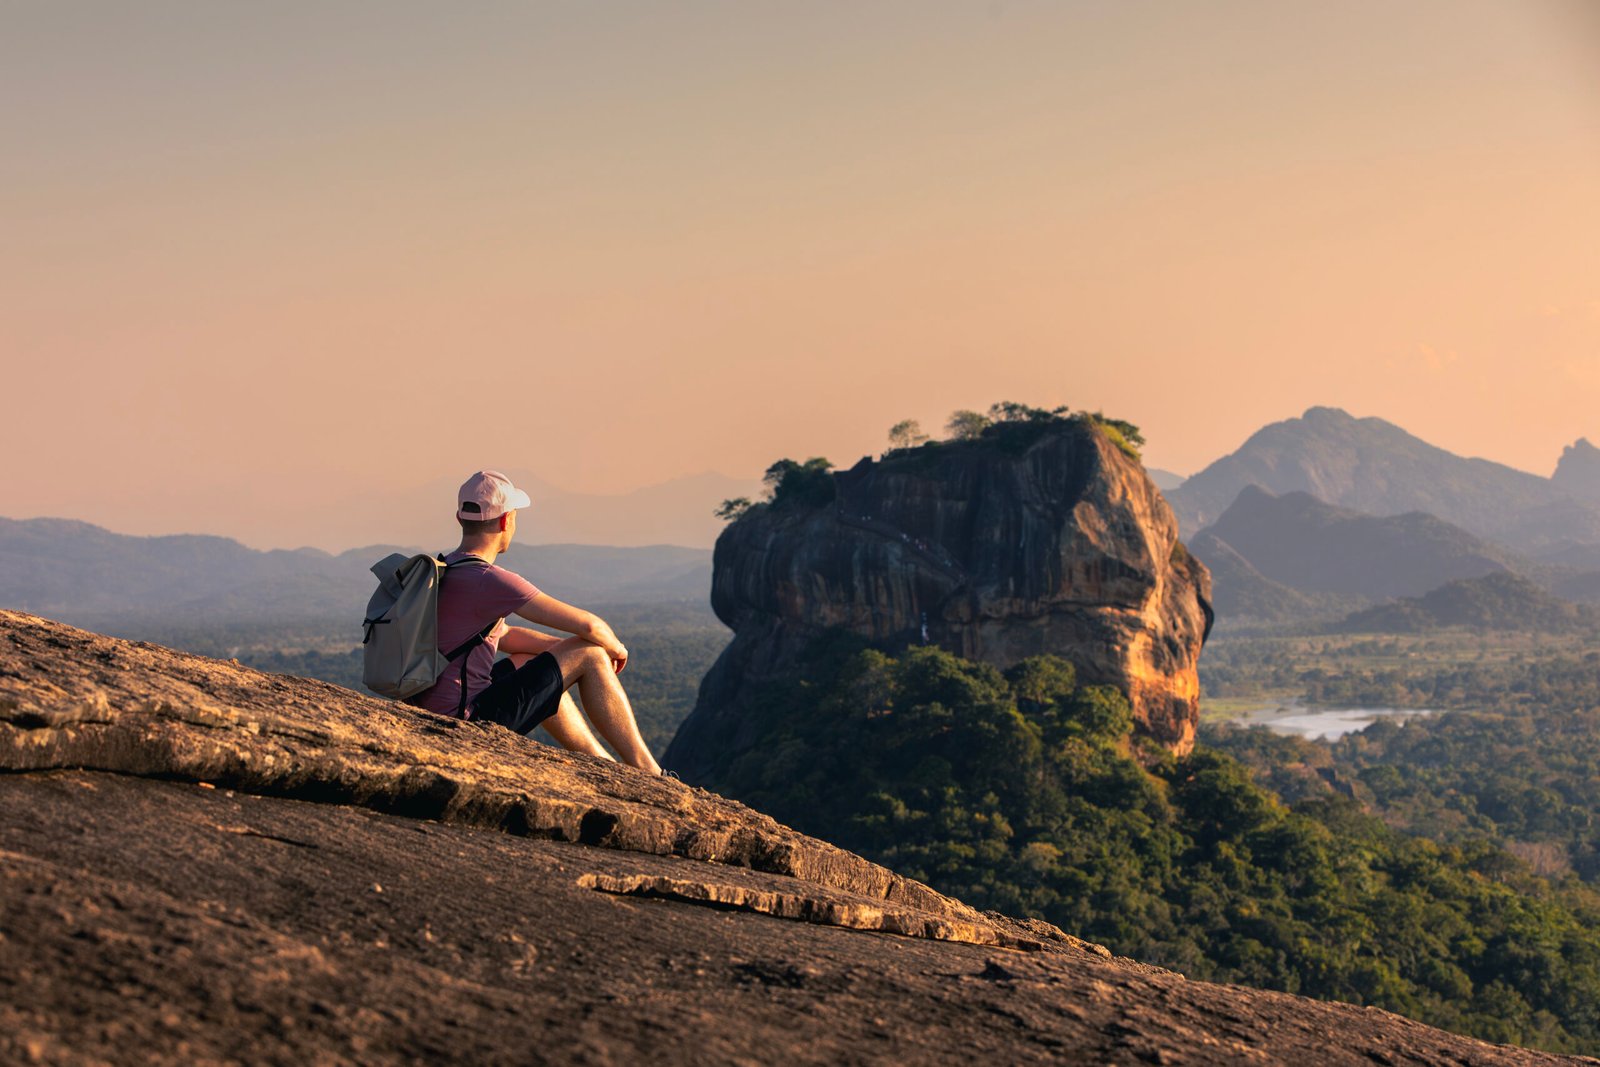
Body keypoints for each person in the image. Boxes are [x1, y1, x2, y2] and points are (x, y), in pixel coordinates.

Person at [409, 470, 663, 775]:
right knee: (593, 653)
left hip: (433, 709)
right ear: (506, 522)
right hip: (464, 719)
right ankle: (648, 770)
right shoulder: (489, 581)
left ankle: (605, 766)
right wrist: (614, 650)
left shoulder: (446, 570)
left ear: (460, 518)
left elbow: (504, 636)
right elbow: (590, 627)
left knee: (528, 661)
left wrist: (563, 655)